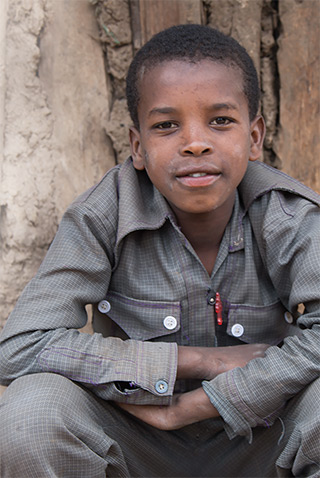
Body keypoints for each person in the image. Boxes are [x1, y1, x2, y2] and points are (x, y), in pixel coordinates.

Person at [0, 24, 319, 478]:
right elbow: (20, 347)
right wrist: (198, 362)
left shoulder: (287, 216)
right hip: (136, 437)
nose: (195, 142)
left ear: (254, 137)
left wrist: (204, 402)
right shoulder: (102, 215)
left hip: (261, 439)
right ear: (137, 146)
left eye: (220, 121)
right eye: (166, 125)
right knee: (31, 412)